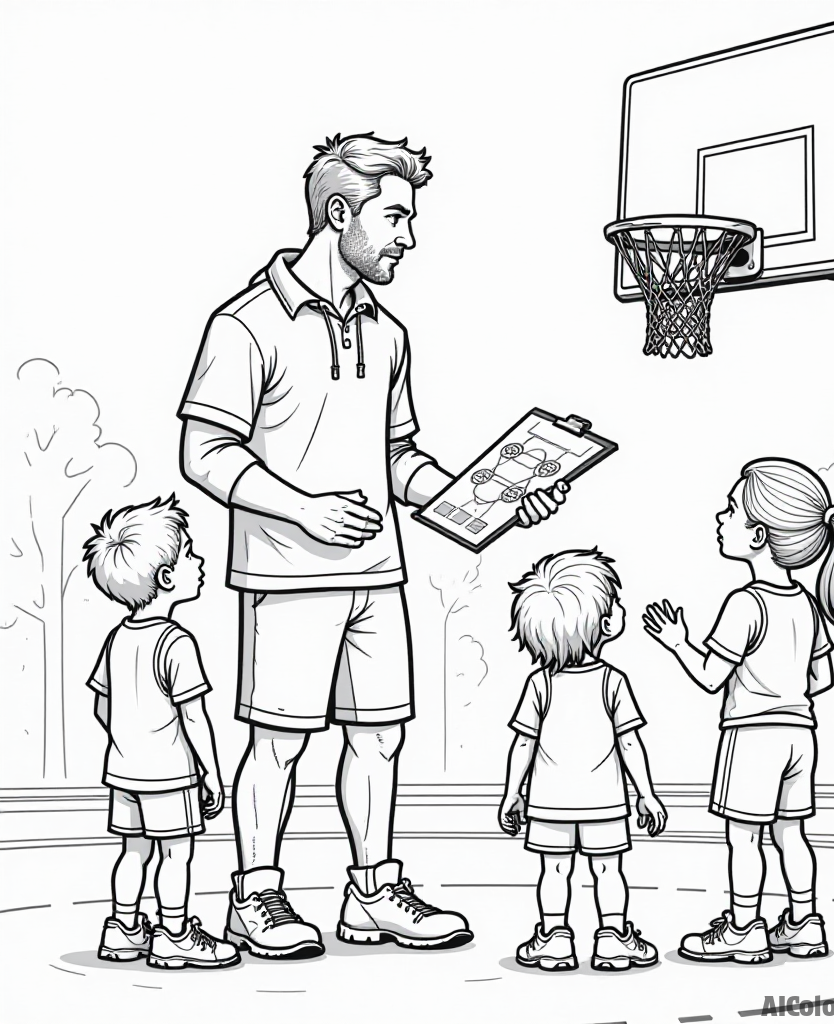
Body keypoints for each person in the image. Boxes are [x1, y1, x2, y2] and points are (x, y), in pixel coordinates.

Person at [179, 133, 568, 959]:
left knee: (379, 738)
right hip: (287, 576)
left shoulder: (389, 334)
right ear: (339, 213)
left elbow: (400, 461)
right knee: (278, 742)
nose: (408, 236)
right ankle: (257, 896)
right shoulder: (246, 325)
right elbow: (204, 453)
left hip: (376, 575)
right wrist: (303, 510)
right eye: (396, 217)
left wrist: (497, 500)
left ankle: (372, 894)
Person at [645, 458, 834, 964]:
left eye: (730, 510)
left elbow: (711, 676)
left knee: (744, 838)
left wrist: (676, 642)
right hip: (802, 734)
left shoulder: (745, 603)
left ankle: (744, 927)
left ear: (757, 535)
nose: (719, 517)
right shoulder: (808, 603)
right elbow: (822, 679)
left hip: (753, 734)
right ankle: (803, 924)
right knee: (791, 834)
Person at [83, 497, 238, 970]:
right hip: (171, 773)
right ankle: (174, 934)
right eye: (190, 554)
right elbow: (194, 718)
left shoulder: (117, 638)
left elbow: (101, 705)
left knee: (132, 852)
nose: (200, 561)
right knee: (175, 855)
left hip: (124, 771)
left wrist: (129, 740)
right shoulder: (176, 642)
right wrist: (210, 774)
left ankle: (124, 929)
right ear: (168, 578)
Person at [499, 549, 667, 972]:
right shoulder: (613, 681)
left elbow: (523, 744)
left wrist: (511, 794)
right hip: (605, 802)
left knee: (554, 870)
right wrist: (646, 795)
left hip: (548, 802)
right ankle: (613, 938)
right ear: (607, 625)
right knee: (608, 871)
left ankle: (554, 938)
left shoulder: (539, 683)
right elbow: (630, 744)